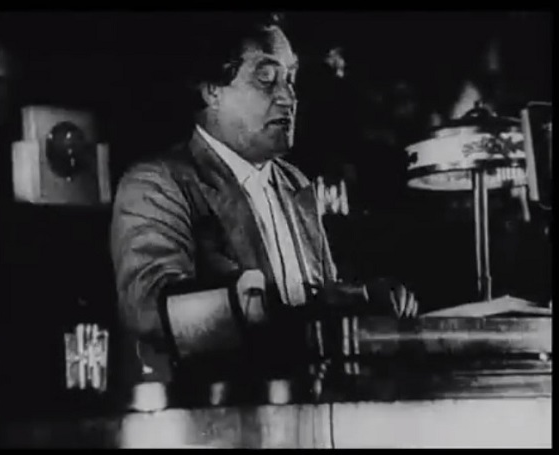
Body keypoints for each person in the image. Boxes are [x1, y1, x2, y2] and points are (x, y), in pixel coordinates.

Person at [110, 13, 418, 389]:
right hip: (217, 412)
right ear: (212, 90)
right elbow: (149, 311)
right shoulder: (157, 183)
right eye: (266, 78)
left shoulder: (295, 185)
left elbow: (315, 298)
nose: (288, 97)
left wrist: (362, 297)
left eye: (291, 78)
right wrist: (253, 308)